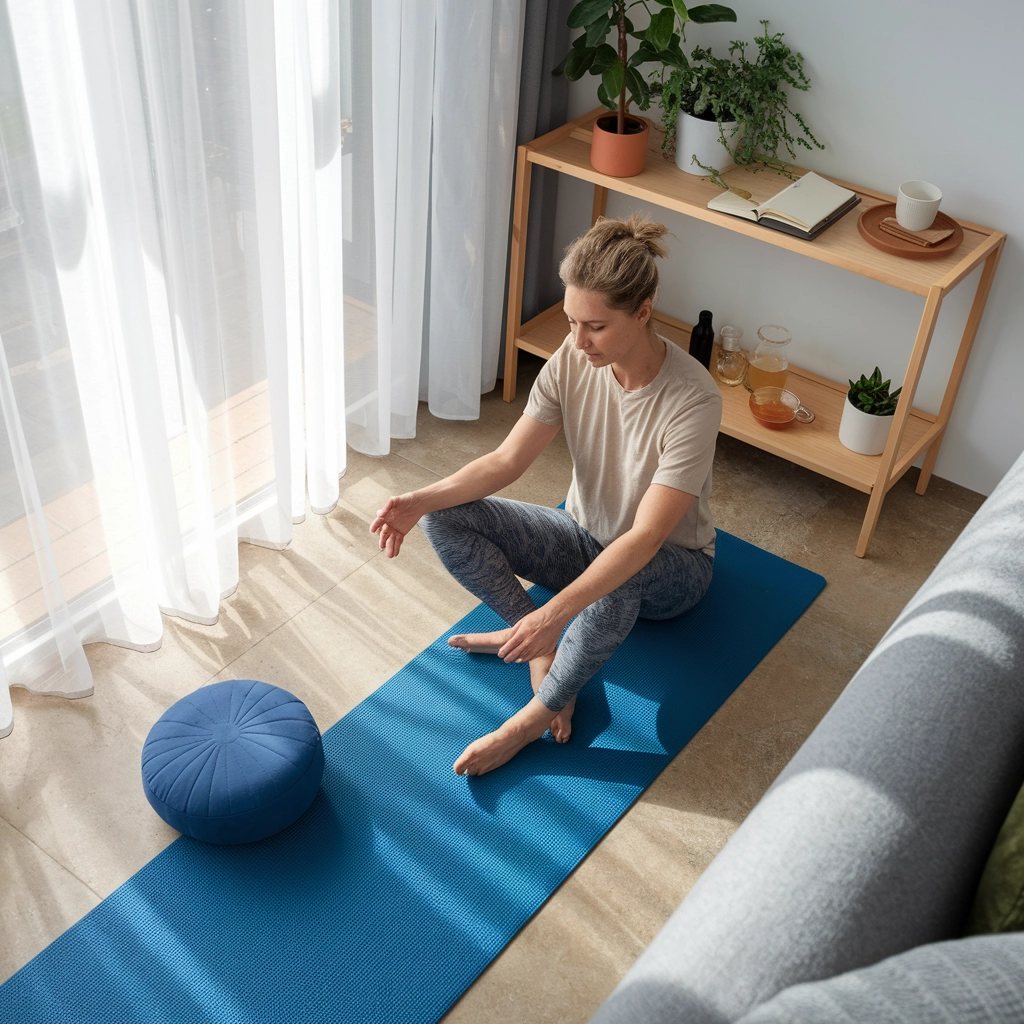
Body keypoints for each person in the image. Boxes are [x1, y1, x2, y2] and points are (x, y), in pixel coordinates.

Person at [370, 214, 722, 776]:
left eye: (597, 327)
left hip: (669, 570)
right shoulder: (573, 358)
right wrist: (420, 500)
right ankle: (534, 646)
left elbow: (647, 537)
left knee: (622, 567)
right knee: (445, 514)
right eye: (572, 321)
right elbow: (506, 461)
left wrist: (554, 613)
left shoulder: (694, 401)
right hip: (583, 537)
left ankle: (530, 719)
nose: (579, 341)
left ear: (643, 310)